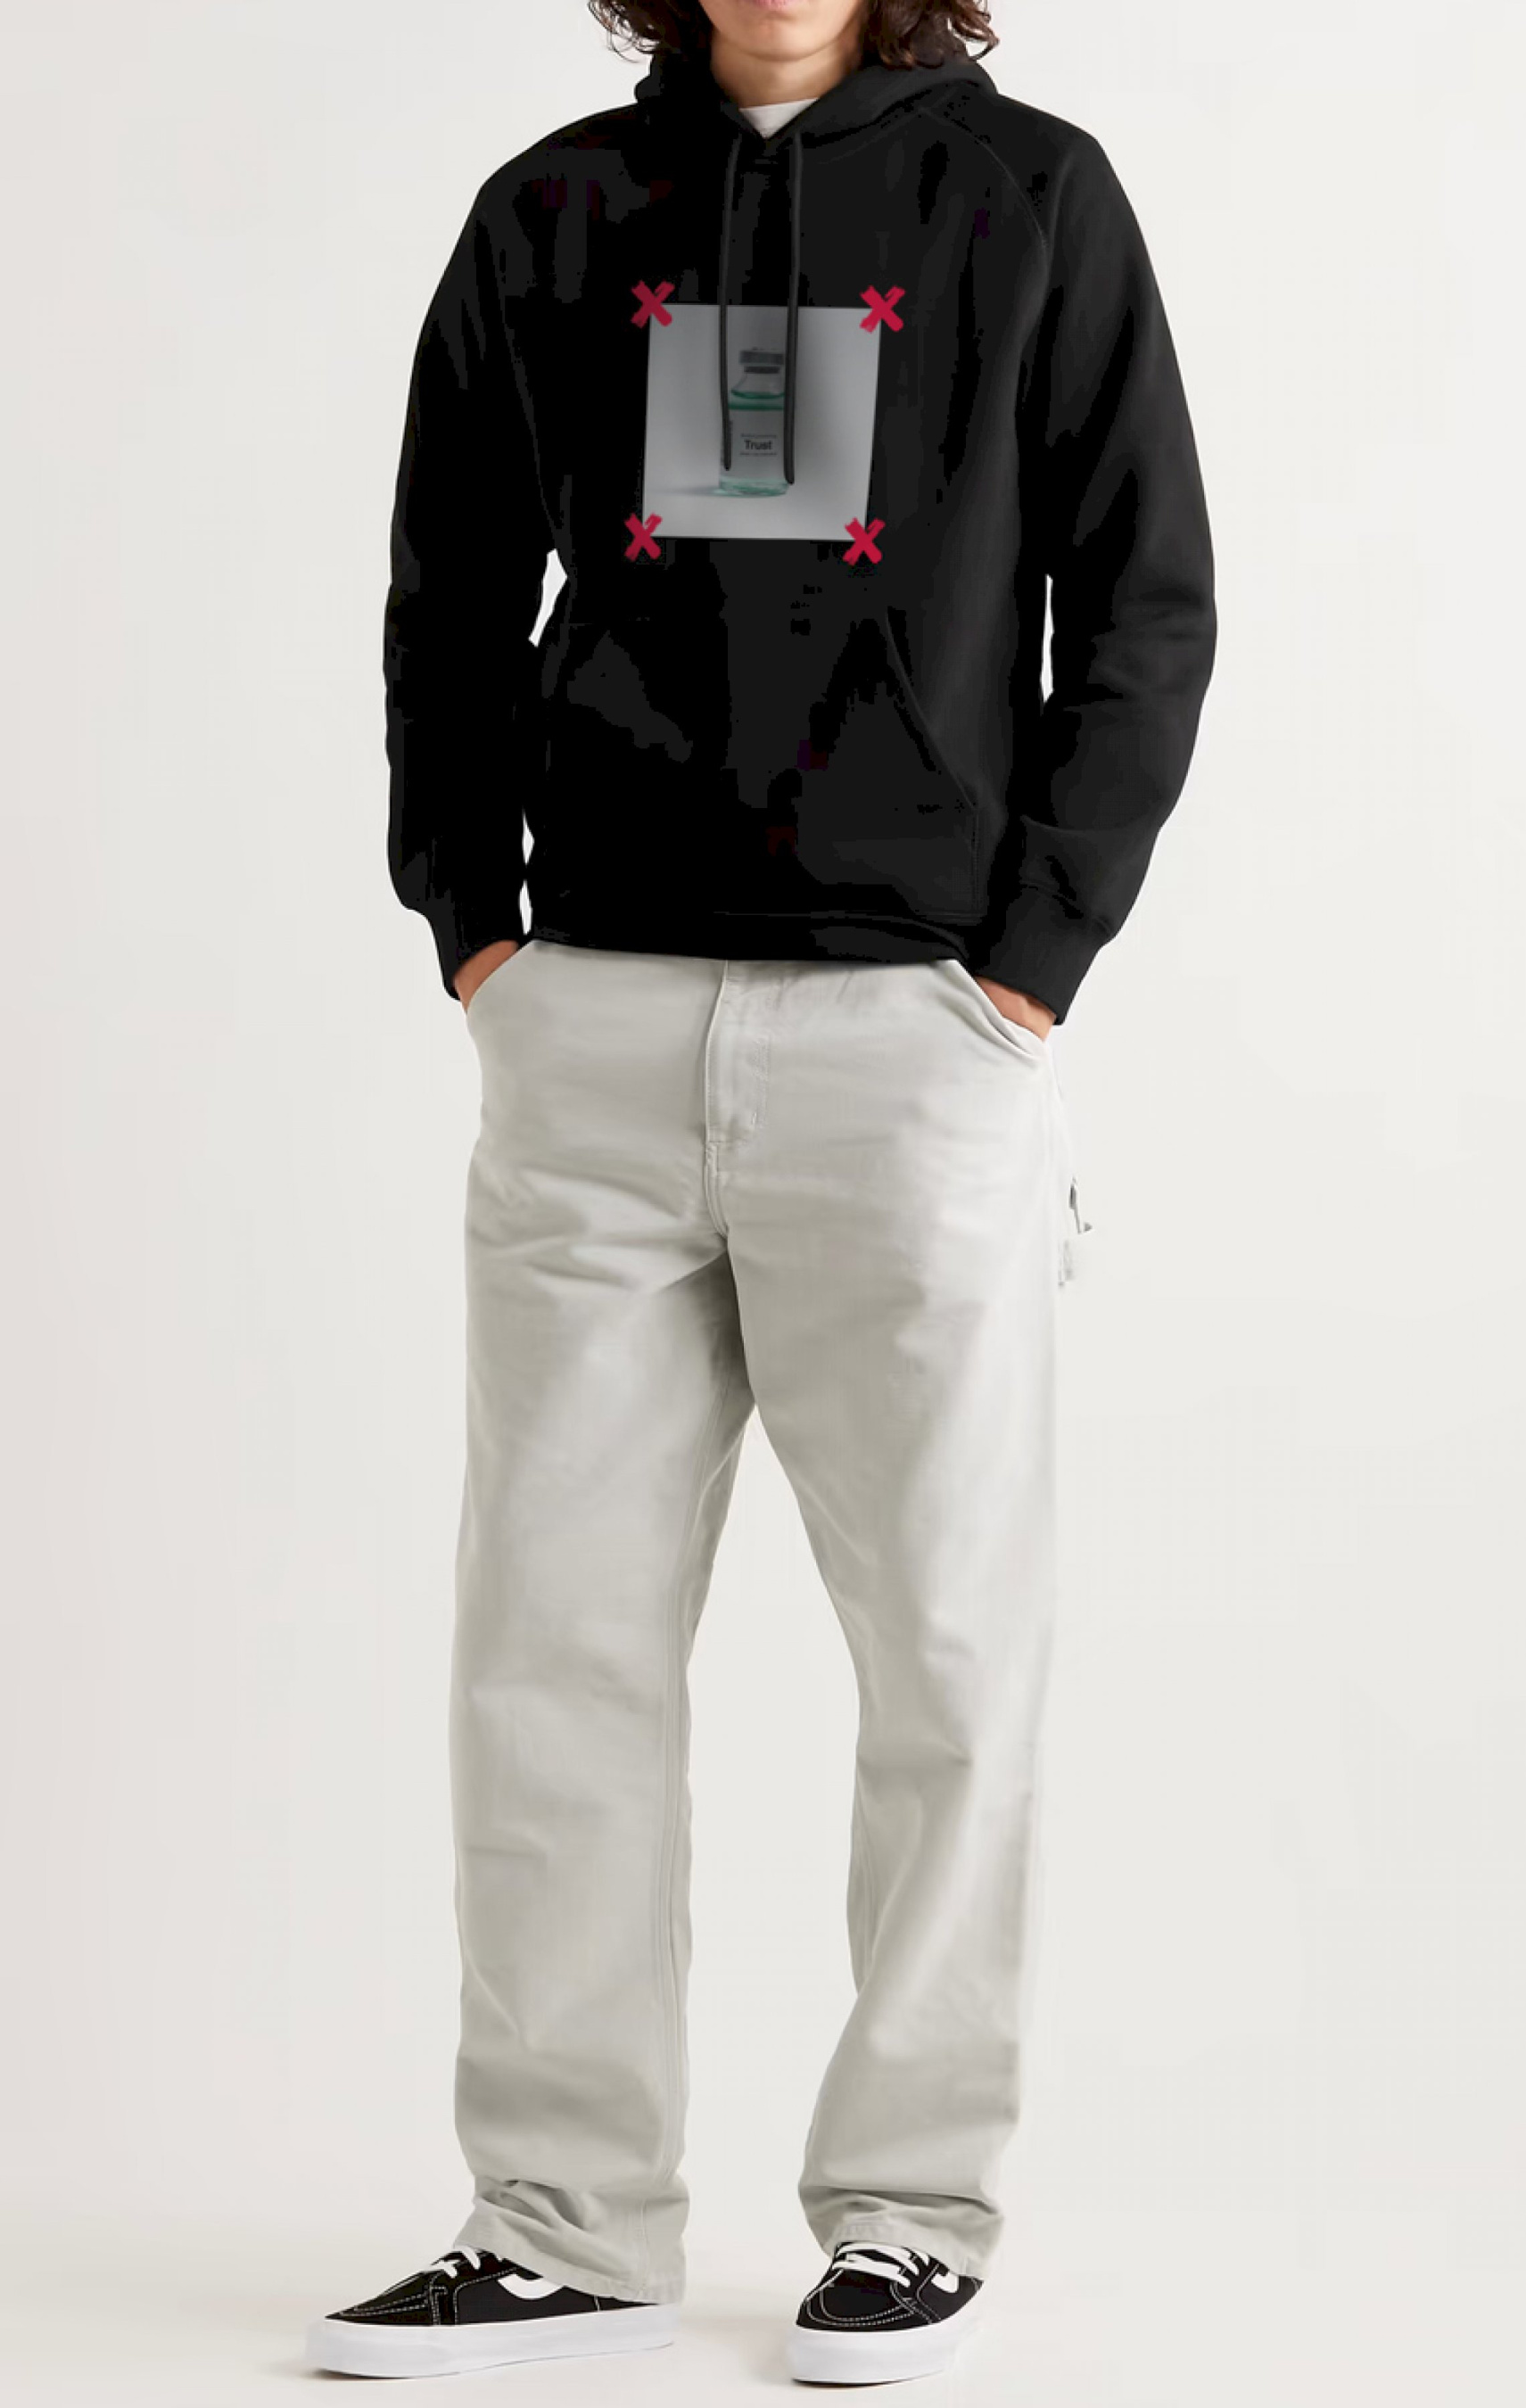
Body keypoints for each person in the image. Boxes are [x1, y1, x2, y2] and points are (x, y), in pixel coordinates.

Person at [305, 0, 1214, 2384]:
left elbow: (1144, 597)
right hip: (593, 1034)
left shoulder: (1032, 200)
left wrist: (1027, 966)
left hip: (913, 1035)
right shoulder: (551, 212)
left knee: (945, 1654)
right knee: (552, 1648)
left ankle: (911, 2209)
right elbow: (442, 585)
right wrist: (472, 926)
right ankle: (562, 2214)